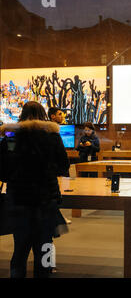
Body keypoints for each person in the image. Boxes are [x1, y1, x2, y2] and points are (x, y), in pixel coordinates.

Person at [0, 101, 69, 278]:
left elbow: (2, 169)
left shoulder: (11, 136)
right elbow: (63, 165)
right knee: (45, 248)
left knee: (20, 250)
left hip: (18, 199)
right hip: (45, 200)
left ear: (22, 114)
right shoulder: (52, 136)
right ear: (43, 114)